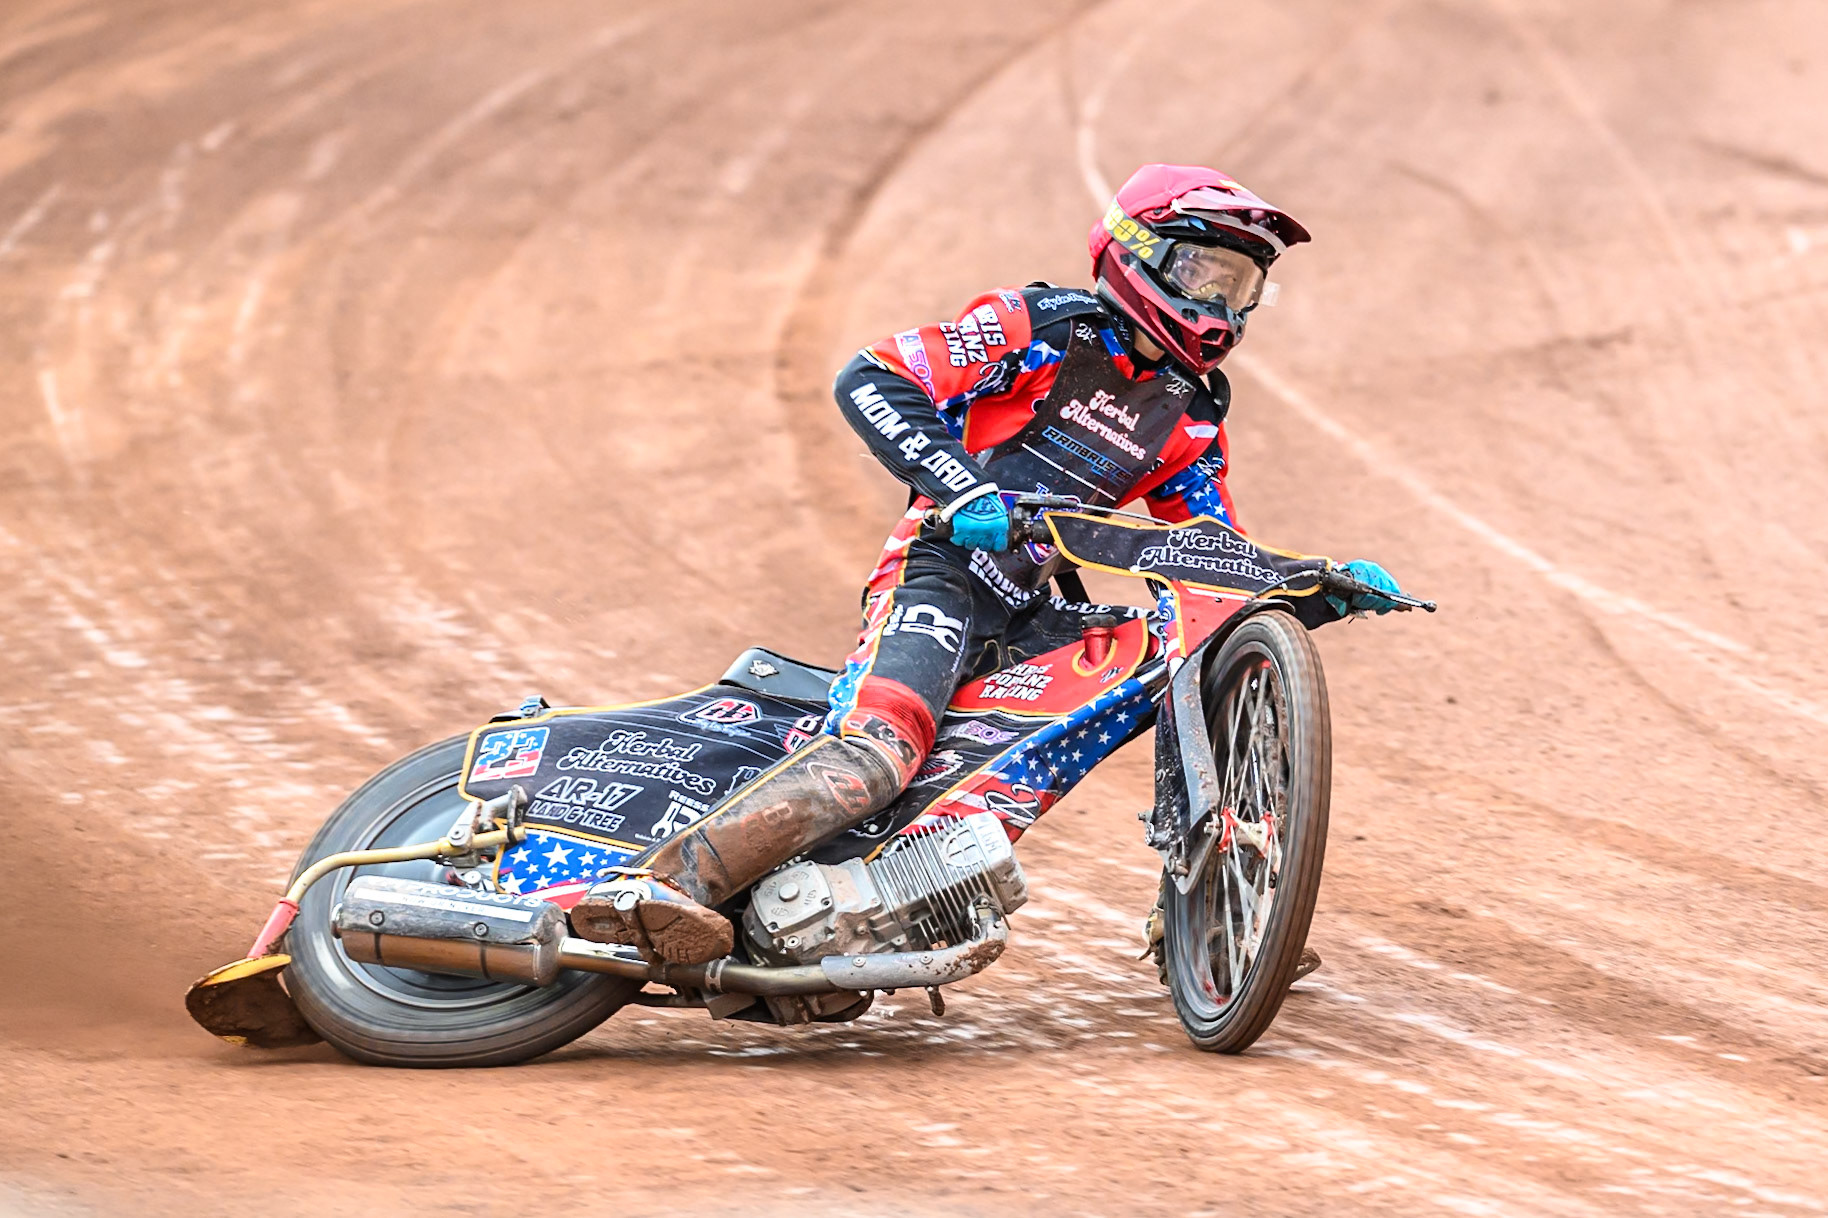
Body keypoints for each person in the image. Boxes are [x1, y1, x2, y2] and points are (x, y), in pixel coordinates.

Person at [571, 164, 1405, 964]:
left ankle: (1207, 912)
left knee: (1195, 644)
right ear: (1137, 254)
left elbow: (1207, 555)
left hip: (1032, 613)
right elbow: (874, 376)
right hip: (941, 575)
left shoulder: (1190, 415)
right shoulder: (1042, 327)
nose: (1220, 305)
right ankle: (659, 889)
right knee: (879, 756)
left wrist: (1305, 588)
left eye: (1241, 287)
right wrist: (959, 487)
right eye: (1203, 272)